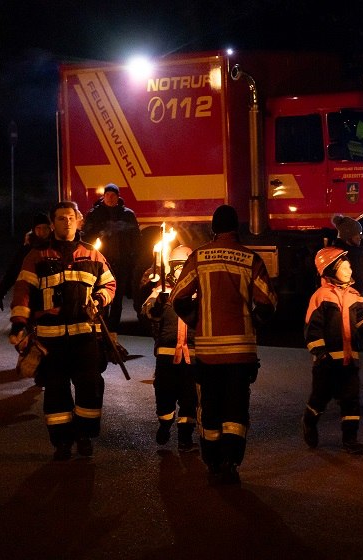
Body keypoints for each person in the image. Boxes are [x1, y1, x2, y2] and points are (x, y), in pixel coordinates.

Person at [170, 205, 277, 484]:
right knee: (236, 410)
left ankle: (213, 462)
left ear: (213, 229)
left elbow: (178, 298)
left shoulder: (198, 257)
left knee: (212, 407)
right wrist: (251, 323)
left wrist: (197, 321)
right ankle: (231, 463)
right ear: (237, 228)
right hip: (241, 351)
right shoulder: (250, 259)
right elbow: (268, 302)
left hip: (208, 352)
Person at [9, 201, 116, 461]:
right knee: (56, 392)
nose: (66, 222)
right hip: (51, 340)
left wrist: (100, 299)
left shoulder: (93, 254)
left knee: (89, 388)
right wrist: (19, 323)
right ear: (52, 223)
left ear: (78, 221)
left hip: (85, 337)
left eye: (70, 217)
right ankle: (62, 442)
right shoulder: (37, 256)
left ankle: (84, 436)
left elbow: (109, 284)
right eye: (60, 218)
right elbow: (23, 290)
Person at [302, 247, 363, 455]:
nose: (349, 268)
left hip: (349, 359)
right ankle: (309, 420)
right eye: (344, 265)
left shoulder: (355, 296)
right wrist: (320, 352)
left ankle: (350, 439)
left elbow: (362, 323)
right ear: (331, 269)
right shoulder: (321, 296)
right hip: (326, 362)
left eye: (349, 265)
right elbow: (312, 329)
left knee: (351, 398)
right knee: (320, 397)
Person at [141, 244, 198, 452]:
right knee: (164, 392)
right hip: (166, 353)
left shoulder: (198, 292)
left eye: (184, 265)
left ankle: (185, 437)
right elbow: (147, 312)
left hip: (192, 354)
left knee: (190, 397)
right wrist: (157, 302)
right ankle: (164, 424)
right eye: (177, 265)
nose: (180, 270)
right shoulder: (162, 290)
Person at [82, 183, 140, 332]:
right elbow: (86, 236)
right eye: (107, 195)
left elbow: (136, 237)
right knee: (101, 294)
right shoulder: (94, 214)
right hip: (101, 263)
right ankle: (102, 325)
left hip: (121, 262)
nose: (110, 197)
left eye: (113, 195)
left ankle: (113, 327)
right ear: (103, 196)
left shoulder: (127, 214)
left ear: (118, 197)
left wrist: (133, 256)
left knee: (117, 296)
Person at [0, 212, 52, 314]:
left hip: (52, 300)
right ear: (33, 230)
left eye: (45, 228)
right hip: (31, 299)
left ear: (50, 229)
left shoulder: (55, 247)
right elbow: (12, 272)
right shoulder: (27, 249)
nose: (42, 232)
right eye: (38, 228)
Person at [331, 214, 363, 305]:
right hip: (353, 305)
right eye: (358, 234)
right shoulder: (357, 257)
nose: (361, 237)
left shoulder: (333, 254)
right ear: (348, 236)